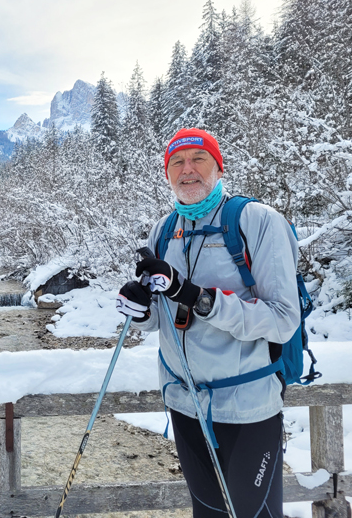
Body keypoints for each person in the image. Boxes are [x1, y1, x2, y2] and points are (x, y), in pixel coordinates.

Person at [116, 128, 299, 518]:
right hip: (184, 403)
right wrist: (142, 310)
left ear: (219, 166)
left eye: (199, 159)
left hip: (248, 406)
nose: (188, 170)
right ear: (167, 174)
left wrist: (198, 297)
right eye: (177, 163)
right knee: (208, 512)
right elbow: (161, 321)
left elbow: (283, 321)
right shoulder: (164, 230)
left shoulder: (258, 221)